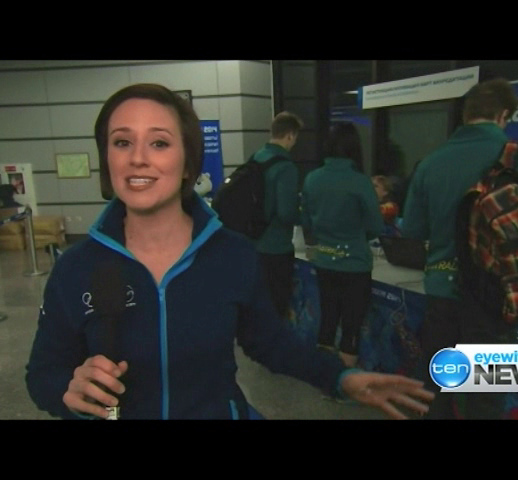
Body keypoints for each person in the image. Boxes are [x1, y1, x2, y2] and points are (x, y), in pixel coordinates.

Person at [25, 83, 434, 420]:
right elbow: (43, 374)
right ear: (107, 159)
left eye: (159, 143)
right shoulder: (77, 267)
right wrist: (67, 390)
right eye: (122, 142)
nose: (137, 158)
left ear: (188, 164)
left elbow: (271, 343)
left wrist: (340, 378)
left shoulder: (231, 255)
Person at [401, 78, 518, 420]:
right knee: (485, 399)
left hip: (443, 293)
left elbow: (413, 230)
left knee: (437, 390)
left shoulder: (431, 162)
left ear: (466, 114)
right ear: (503, 115)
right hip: (495, 298)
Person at [301, 122, 387, 368]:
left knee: (328, 319)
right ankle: (345, 381)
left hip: (325, 261)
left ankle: (325, 377)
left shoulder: (312, 179)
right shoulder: (360, 182)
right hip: (354, 263)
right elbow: (376, 226)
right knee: (351, 326)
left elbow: (306, 221)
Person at [251, 111, 303, 320]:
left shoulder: (256, 158)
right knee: (277, 307)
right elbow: (286, 213)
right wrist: (305, 217)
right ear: (290, 135)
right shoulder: (285, 167)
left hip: (253, 242)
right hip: (276, 247)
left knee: (258, 306)